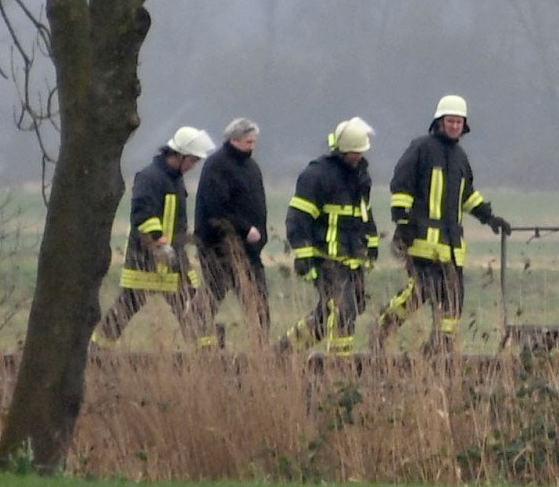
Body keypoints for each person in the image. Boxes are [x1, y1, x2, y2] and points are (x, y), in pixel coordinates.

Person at [370, 95, 511, 355]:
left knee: (454, 298)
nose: (455, 126)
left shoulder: (460, 158)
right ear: (439, 122)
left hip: (452, 246)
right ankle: (381, 329)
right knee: (421, 292)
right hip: (422, 242)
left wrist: (489, 217)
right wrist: (403, 222)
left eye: (459, 122)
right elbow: (401, 185)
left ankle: (440, 348)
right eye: (451, 121)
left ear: (464, 125)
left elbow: (466, 195)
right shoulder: (421, 148)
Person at [93, 126, 217, 349]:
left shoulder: (174, 179)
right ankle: (95, 352)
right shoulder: (150, 177)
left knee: (192, 307)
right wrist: (159, 243)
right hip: (146, 262)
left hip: (173, 263)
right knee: (125, 308)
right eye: (192, 160)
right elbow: (142, 214)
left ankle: (207, 355)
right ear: (178, 155)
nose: (193, 166)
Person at [276, 118, 379, 357]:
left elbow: (365, 214)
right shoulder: (316, 176)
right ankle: (339, 368)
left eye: (361, 152)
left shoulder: (361, 177)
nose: (359, 157)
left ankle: (283, 352)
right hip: (326, 259)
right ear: (343, 150)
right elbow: (297, 219)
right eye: (355, 153)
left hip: (352, 259)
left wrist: (371, 246)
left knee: (333, 312)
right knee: (343, 311)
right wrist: (304, 256)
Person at [192, 117, 270, 347]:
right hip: (219, 246)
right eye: (248, 142)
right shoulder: (217, 165)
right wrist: (245, 229)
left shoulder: (252, 167)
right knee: (212, 295)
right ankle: (200, 341)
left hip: (250, 249)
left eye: (254, 142)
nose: (252, 147)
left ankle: (261, 348)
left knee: (258, 301)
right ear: (233, 139)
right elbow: (216, 207)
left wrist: (259, 237)